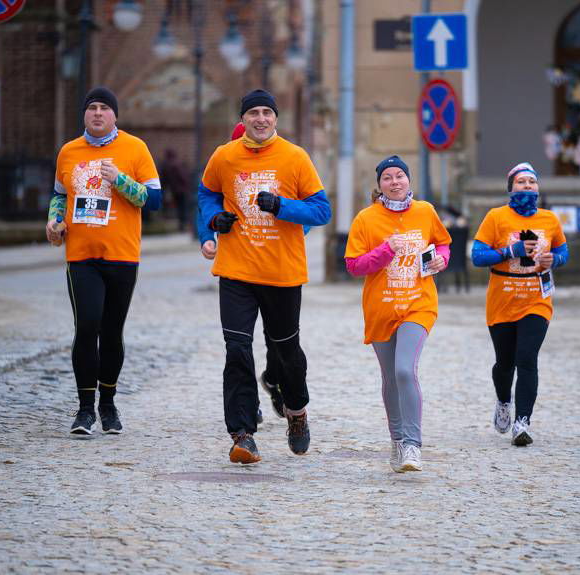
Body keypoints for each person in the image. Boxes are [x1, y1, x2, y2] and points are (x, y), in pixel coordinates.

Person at [197, 89, 331, 464]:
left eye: (266, 113)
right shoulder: (224, 156)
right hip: (236, 271)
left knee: (287, 353)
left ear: (275, 118)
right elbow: (206, 193)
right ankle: (242, 434)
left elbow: (322, 211)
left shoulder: (294, 157)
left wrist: (283, 206)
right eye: (253, 113)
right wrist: (213, 220)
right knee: (237, 350)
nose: (260, 119)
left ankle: (297, 413)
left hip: (282, 273)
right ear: (244, 119)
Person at [46, 86, 162, 435]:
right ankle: (84, 409)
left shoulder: (135, 148)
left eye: (104, 108)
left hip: (122, 255)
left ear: (115, 115)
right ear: (84, 114)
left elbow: (154, 200)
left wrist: (120, 180)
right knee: (87, 326)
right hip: (81, 256)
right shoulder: (69, 152)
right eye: (92, 108)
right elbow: (59, 195)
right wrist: (54, 221)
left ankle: (108, 404)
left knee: (111, 332)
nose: (97, 113)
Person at [345, 155, 452, 472]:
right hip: (381, 308)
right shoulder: (366, 219)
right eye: (388, 178)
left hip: (419, 303)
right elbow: (353, 265)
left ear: (409, 180)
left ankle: (412, 446)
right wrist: (386, 249)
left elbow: (443, 243)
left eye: (400, 176)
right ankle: (396, 440)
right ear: (379, 186)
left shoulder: (425, 211)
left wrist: (441, 260)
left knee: (405, 370)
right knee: (390, 377)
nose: (395, 182)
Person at [471, 162, 568, 446]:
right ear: (511, 188)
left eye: (532, 182)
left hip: (536, 299)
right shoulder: (495, 217)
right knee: (505, 363)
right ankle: (503, 400)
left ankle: (522, 422)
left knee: (527, 359)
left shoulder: (550, 219)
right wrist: (510, 250)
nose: (528, 186)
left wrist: (556, 259)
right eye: (521, 182)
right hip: (502, 300)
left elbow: (562, 249)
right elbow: (477, 255)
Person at [158, 148, 190, 230]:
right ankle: (183, 224)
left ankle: (182, 224)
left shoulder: (167, 165)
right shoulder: (176, 164)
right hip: (181, 189)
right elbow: (183, 177)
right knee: (183, 207)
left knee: (180, 207)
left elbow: (164, 179)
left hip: (175, 190)